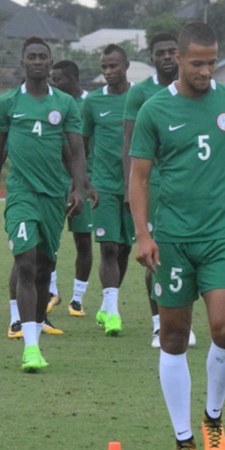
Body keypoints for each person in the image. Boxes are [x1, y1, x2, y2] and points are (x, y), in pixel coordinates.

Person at [130, 22, 225, 450]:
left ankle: (213, 418)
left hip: (219, 238)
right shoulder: (155, 110)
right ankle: (183, 440)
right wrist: (143, 234)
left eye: (212, 62)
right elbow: (138, 176)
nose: (205, 70)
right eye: (197, 63)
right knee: (172, 338)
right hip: (171, 240)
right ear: (178, 61)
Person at [0, 37, 92, 372]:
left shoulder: (66, 105)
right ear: (23, 63)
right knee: (25, 264)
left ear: (50, 62)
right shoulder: (8, 103)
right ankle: (30, 348)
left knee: (44, 269)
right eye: (32, 57)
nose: (38, 61)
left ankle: (35, 333)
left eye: (43, 56)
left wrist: (78, 188)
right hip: (21, 196)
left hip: (54, 198)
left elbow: (76, 152)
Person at [123, 33, 196, 348]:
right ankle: (158, 324)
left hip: (187, 189)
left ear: (180, 55)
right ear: (151, 57)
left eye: (171, 52)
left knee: (189, 254)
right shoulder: (140, 94)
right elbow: (129, 145)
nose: (166, 57)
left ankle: (183, 320)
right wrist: (131, 191)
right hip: (153, 189)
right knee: (157, 254)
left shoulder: (194, 90)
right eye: (160, 53)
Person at [80, 44, 132, 335]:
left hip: (133, 185)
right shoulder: (93, 103)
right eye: (104, 67)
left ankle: (106, 304)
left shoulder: (139, 97)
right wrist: (85, 182)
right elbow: (81, 146)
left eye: (114, 66)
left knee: (124, 247)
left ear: (125, 65)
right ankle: (113, 312)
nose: (109, 72)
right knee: (108, 247)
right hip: (103, 186)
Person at [49, 59, 94, 317]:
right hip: (54, 181)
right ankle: (52, 291)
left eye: (58, 80)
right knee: (49, 239)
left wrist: (85, 182)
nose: (54, 84)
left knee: (83, 242)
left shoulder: (90, 103)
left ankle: (77, 299)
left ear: (73, 79)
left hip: (82, 182)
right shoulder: (52, 102)